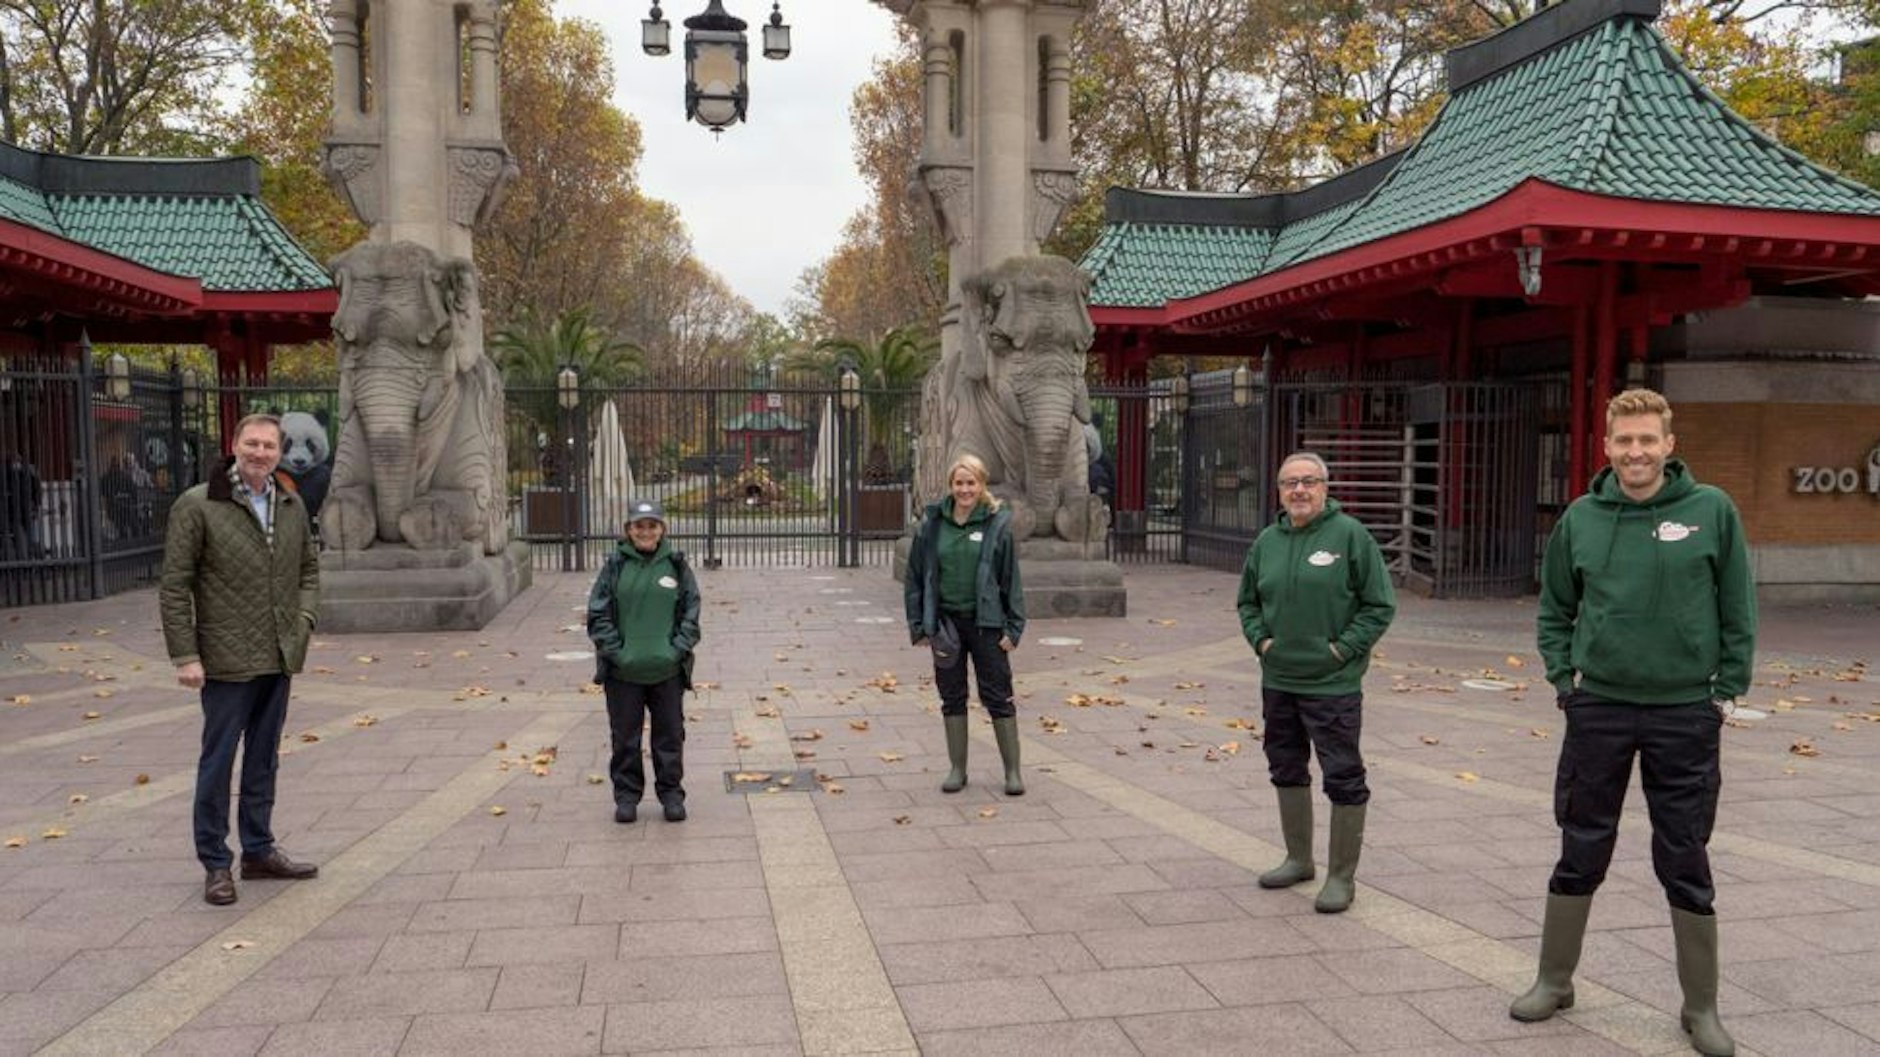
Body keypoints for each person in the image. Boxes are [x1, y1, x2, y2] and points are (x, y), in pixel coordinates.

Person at [1512, 389, 1754, 1057]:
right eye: (1624, 441)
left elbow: (1738, 607)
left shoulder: (1712, 512)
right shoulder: (1582, 519)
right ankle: (1554, 979)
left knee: (1684, 851)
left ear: (1669, 443)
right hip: (1601, 708)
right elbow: (1555, 607)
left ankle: (1700, 1005)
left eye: (1648, 439)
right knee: (1581, 841)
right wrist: (1566, 680)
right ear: (1607, 446)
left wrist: (1725, 690)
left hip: (1685, 710)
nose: (1636, 452)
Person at [159, 414, 320, 907]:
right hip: (225, 658)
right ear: (234, 446)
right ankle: (214, 862)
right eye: (252, 443)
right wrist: (185, 655)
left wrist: (304, 621)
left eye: (269, 446)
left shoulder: (289, 502)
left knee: (264, 758)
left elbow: (308, 570)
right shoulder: (198, 505)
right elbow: (174, 586)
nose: (261, 453)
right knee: (218, 761)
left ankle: (258, 849)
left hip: (277, 652)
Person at [1236, 451, 1395, 914]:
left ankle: (1341, 876)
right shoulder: (1266, 542)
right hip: (1279, 679)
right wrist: (1262, 643)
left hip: (1333, 685)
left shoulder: (1351, 536)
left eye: (1309, 481)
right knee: (1285, 766)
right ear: (1279, 492)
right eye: (1290, 483)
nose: (1299, 490)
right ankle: (1299, 859)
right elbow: (1247, 602)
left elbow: (1379, 605)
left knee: (1343, 776)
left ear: (1326, 487)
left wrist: (1341, 650)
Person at [904, 453, 1027, 795]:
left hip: (987, 625)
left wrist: (1013, 629)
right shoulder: (932, 525)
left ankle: (1012, 772)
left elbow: (1010, 580)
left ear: (982, 485)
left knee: (998, 695)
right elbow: (916, 578)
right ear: (951, 486)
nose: (964, 489)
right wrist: (919, 625)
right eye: (959, 483)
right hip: (946, 625)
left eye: (971, 482)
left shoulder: (996, 524)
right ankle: (958, 769)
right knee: (952, 696)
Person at [587, 498, 701, 824]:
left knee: (669, 736)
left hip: (666, 670)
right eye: (639, 526)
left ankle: (671, 795)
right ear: (629, 530)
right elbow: (598, 614)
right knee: (625, 738)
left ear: (662, 529)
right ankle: (626, 797)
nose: (646, 531)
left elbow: (691, 611)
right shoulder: (614, 566)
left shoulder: (677, 565)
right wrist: (617, 653)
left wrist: (676, 649)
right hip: (623, 673)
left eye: (652, 525)